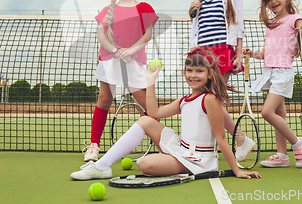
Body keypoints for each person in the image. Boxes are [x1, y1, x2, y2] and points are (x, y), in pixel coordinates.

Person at [70, 48, 261, 180]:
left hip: (199, 160)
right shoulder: (184, 100)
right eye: (189, 70)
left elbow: (221, 138)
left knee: (145, 164)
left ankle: (103, 167)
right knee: (145, 120)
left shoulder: (209, 100)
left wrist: (236, 170)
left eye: (199, 71)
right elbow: (154, 112)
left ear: (210, 74)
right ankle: (102, 167)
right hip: (182, 148)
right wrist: (150, 80)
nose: (193, 75)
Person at [83, 0, 158, 162]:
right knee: (105, 99)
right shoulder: (107, 11)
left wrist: (131, 51)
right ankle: (94, 145)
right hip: (110, 60)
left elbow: (147, 35)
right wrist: (117, 51)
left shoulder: (145, 8)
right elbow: (102, 36)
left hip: (135, 60)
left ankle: (162, 142)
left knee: (147, 105)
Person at [243, 0, 302, 168]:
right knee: (279, 114)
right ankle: (282, 156)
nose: (273, 1)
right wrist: (252, 54)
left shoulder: (295, 19)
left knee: (266, 112)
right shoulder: (271, 24)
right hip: (269, 73)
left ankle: (297, 143)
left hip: (283, 73)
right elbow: (265, 54)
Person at [188, 0, 254, 161]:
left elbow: (238, 25)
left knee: (214, 101)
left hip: (222, 52)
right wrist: (191, 10)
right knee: (203, 100)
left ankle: (235, 141)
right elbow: (198, 27)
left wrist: (237, 55)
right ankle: (236, 141)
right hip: (201, 54)